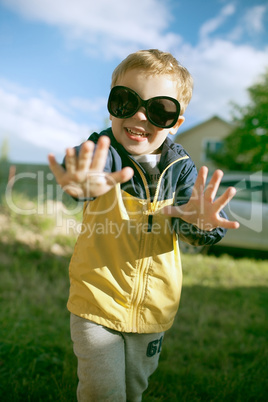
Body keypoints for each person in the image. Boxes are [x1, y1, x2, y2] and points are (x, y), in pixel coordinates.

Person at [48, 49, 239, 401]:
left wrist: (199, 223)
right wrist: (82, 180)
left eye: (159, 109)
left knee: (133, 391)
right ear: (111, 106)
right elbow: (87, 169)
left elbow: (196, 229)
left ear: (176, 122)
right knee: (103, 393)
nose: (139, 115)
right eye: (126, 101)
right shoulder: (103, 151)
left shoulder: (180, 168)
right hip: (97, 304)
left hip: (155, 310)